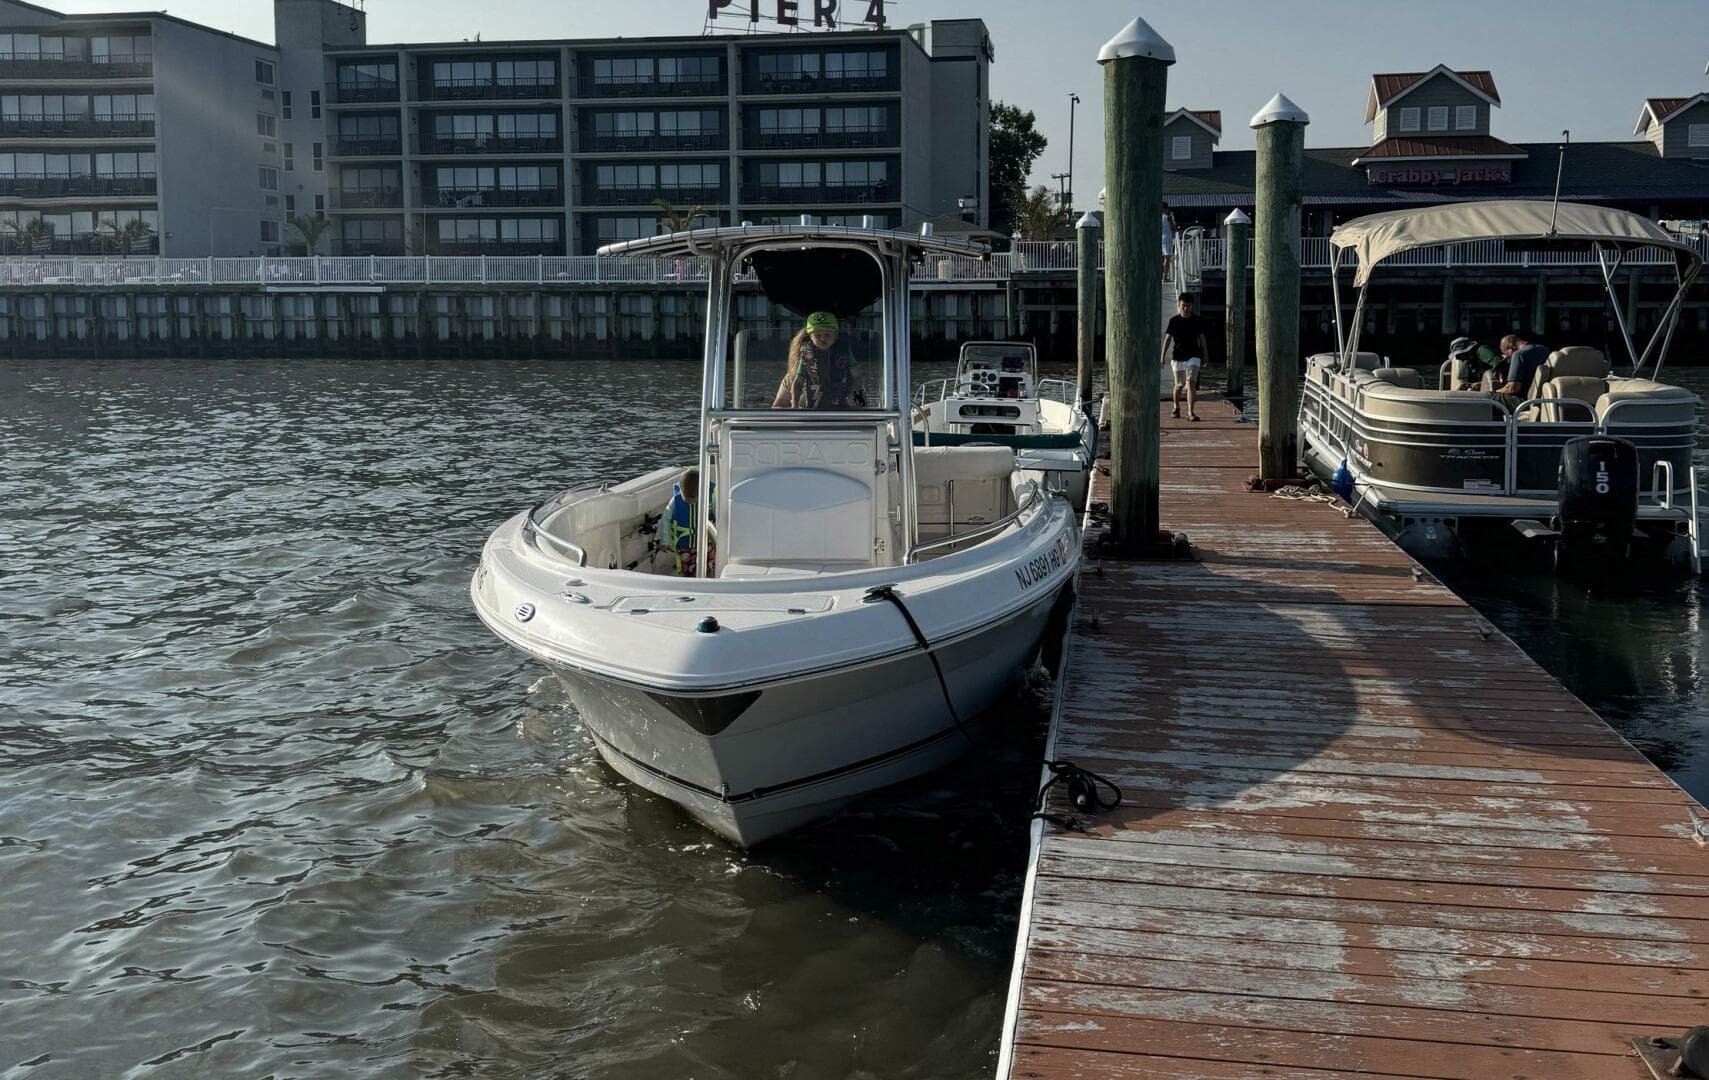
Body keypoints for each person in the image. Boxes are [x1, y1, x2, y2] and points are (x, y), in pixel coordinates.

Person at [772, 311, 867, 410]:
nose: (823, 339)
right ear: (810, 337)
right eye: (818, 336)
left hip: (841, 414)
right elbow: (778, 407)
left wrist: (858, 397)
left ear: (836, 336)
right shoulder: (793, 374)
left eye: (828, 335)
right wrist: (794, 407)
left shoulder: (845, 353)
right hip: (810, 418)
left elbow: (858, 377)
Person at [1162, 293, 1210, 421]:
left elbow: (1202, 338)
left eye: (1188, 306)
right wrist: (1162, 356)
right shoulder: (1174, 321)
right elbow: (1168, 339)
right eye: (1183, 306)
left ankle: (1190, 412)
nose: (1186, 308)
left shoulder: (1197, 320)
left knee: (1191, 382)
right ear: (1179, 305)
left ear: (1192, 306)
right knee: (1179, 385)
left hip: (1194, 356)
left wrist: (1205, 354)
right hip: (1178, 356)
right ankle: (1176, 407)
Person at [662, 467, 715, 577]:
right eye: (687, 498)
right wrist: (665, 541)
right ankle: (689, 582)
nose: (692, 501)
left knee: (709, 565)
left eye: (695, 498)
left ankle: (708, 579)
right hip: (684, 545)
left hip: (706, 542)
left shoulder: (709, 499)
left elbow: (718, 515)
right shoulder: (675, 501)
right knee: (686, 569)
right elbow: (665, 519)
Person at [1491, 333, 1551, 411]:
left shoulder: (1518, 355)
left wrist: (1496, 391)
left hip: (1523, 402)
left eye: (1507, 355)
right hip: (1541, 400)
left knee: (1487, 398)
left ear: (1509, 347)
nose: (1509, 358)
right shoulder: (1544, 350)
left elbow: (1513, 388)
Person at [1160, 211, 1176, 279]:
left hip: (1160, 239)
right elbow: (1174, 227)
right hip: (1167, 239)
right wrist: (1173, 218)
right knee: (1167, 259)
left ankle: (1161, 276)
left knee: (1161, 259)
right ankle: (1164, 277)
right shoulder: (1168, 217)